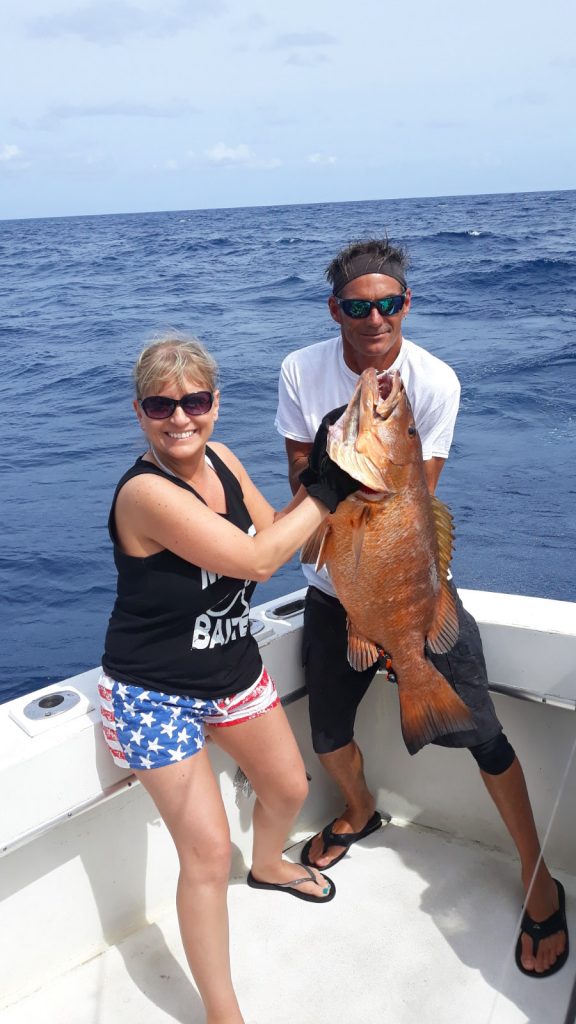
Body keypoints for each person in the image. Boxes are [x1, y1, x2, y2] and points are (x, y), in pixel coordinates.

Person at [275, 238, 569, 979]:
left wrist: (351, 474)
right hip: (332, 587)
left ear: (407, 304)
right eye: (357, 305)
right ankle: (358, 810)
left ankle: (539, 877)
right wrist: (335, 478)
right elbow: (302, 494)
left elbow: (411, 494)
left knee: (483, 734)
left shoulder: (434, 382)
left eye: (390, 303)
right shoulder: (299, 372)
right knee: (329, 729)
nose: (375, 318)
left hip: (412, 585)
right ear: (335, 309)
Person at [99, 335, 357, 1024]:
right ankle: (223, 1013)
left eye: (195, 401)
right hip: (153, 692)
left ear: (215, 405)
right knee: (208, 854)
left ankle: (269, 865)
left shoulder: (224, 458)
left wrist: (335, 477)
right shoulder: (146, 494)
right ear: (139, 411)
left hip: (232, 669)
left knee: (288, 788)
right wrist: (333, 483)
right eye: (161, 405)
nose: (180, 418)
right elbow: (256, 562)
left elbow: (281, 531)